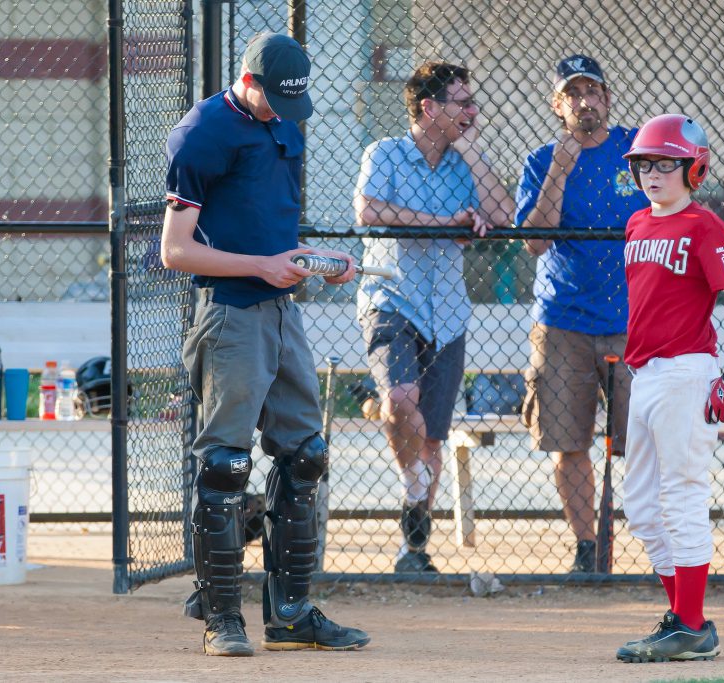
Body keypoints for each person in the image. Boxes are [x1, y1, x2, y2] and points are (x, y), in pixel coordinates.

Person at [161, 32, 370, 656]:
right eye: (274, 99)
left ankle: (291, 612)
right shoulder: (203, 132)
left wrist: (316, 259)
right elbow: (176, 251)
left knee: (306, 453)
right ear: (247, 81)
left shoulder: (283, 122)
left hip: (280, 308)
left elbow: (271, 225)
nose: (283, 113)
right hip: (230, 313)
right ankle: (221, 619)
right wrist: (262, 266)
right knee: (225, 465)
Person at [354, 62, 514, 573]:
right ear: (429, 107)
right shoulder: (386, 153)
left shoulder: (468, 163)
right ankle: (413, 484)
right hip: (391, 300)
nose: (473, 111)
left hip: (446, 313)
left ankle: (414, 547)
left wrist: (469, 150)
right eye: (462, 102)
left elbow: (504, 215)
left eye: (473, 102)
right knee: (400, 398)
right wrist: (442, 222)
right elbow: (370, 212)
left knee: (433, 440)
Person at [616, 114, 724, 662]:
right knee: (642, 508)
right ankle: (685, 621)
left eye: (666, 164)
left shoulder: (704, 226)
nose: (652, 174)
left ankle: (690, 623)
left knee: (681, 499)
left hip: (686, 372)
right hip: (646, 375)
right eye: (644, 165)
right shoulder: (636, 224)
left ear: (693, 167)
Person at [515, 54, 649, 572]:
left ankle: (652, 542)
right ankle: (586, 547)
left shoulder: (636, 149)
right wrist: (560, 168)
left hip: (633, 319)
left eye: (593, 91)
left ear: (608, 98)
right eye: (573, 94)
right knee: (568, 442)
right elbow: (534, 241)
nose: (585, 102)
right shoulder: (541, 160)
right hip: (564, 318)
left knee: (641, 442)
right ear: (558, 105)